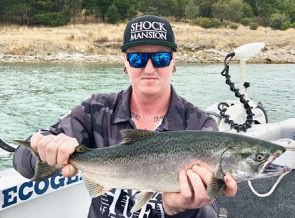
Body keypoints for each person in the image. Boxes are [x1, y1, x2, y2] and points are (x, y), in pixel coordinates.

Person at [13, 15, 237, 217]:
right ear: (125, 62)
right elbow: (21, 159)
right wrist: (43, 151)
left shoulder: (199, 125)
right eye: (138, 59)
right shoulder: (95, 110)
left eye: (160, 58)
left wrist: (179, 210)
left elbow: (210, 211)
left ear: (173, 62)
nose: (149, 69)